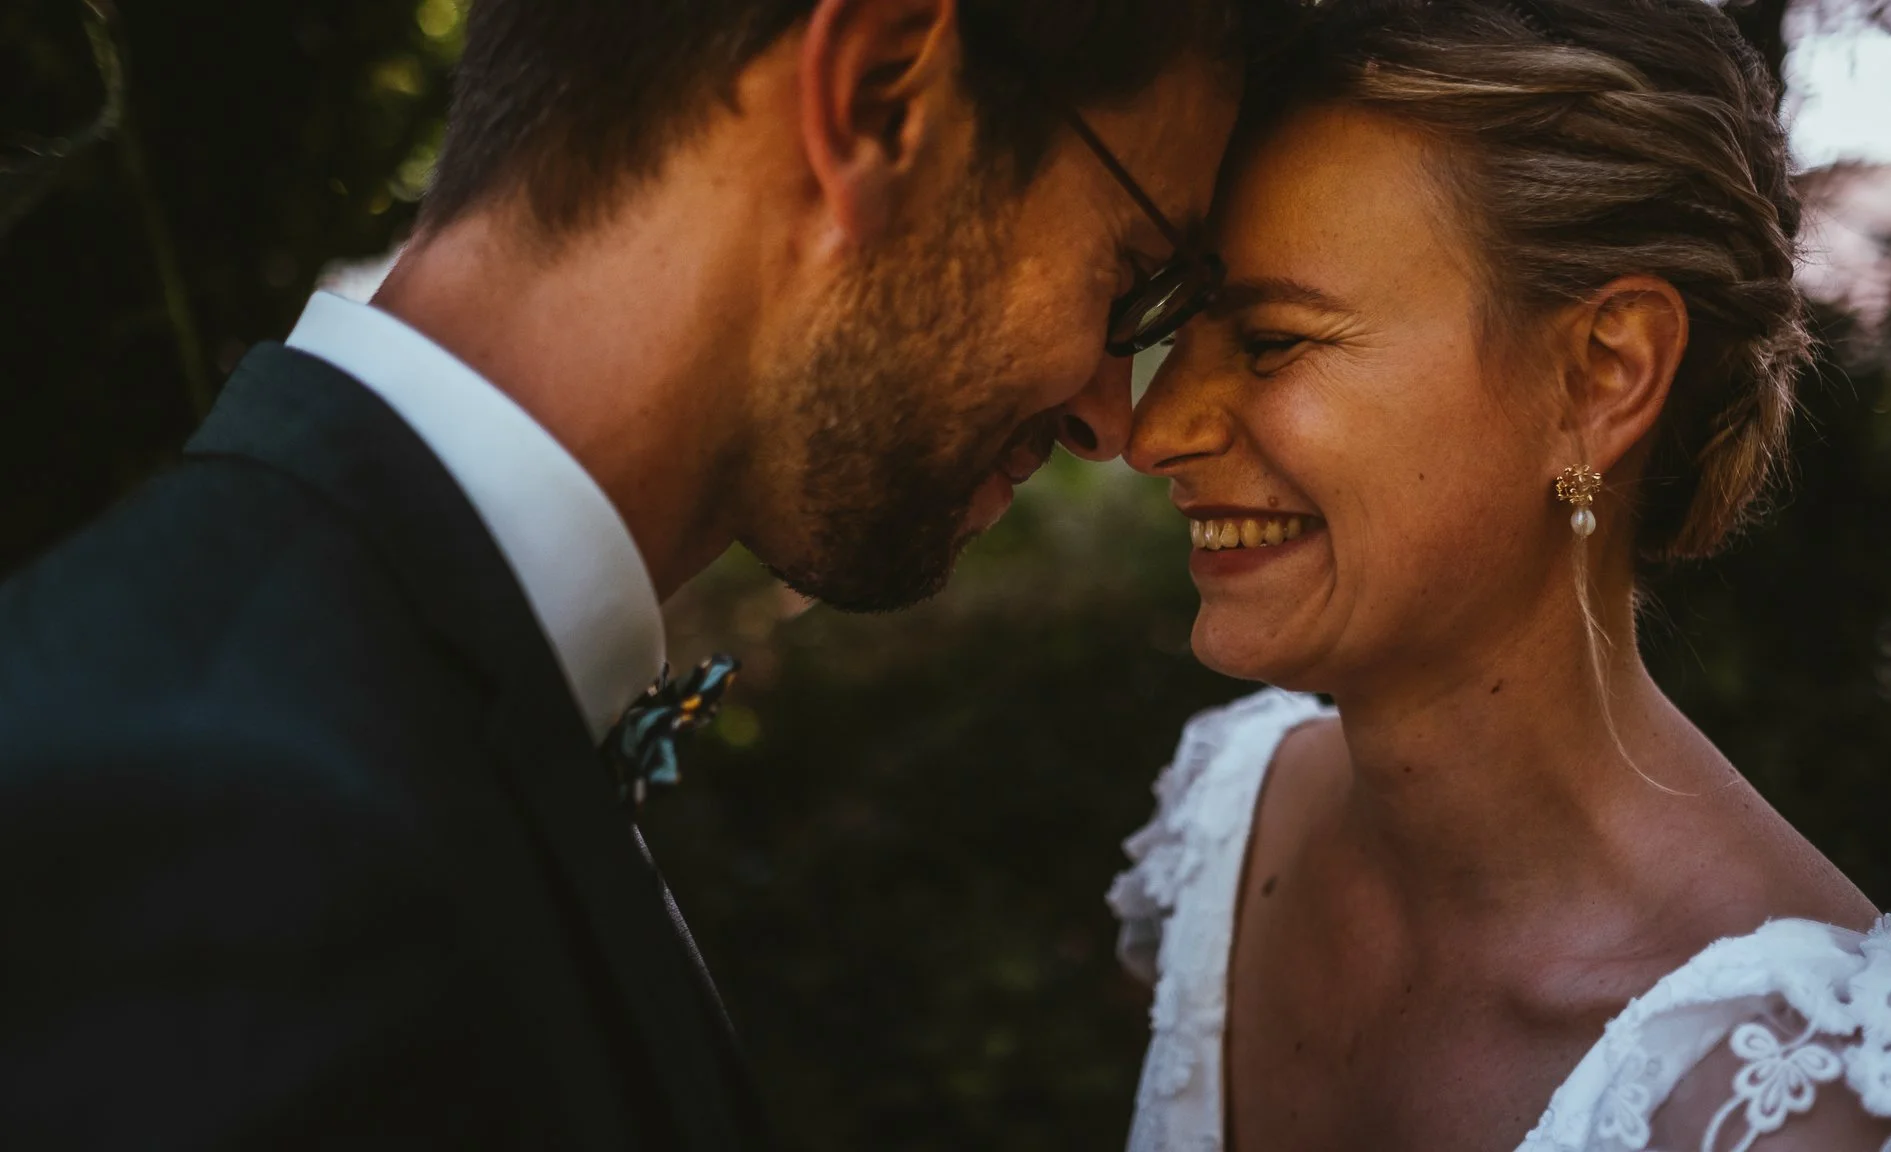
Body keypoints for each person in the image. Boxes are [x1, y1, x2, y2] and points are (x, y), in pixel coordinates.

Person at [0, 0, 1253, 1145]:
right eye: (1132, 278)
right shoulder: (199, 829)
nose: (1112, 417)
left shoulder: (359, 684)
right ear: (879, 102)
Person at [1107, 0, 1891, 1149]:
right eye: (1173, 326)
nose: (1153, 432)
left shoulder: (1798, 1110)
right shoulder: (1228, 836)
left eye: (1269, 342)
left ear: (1601, 376)